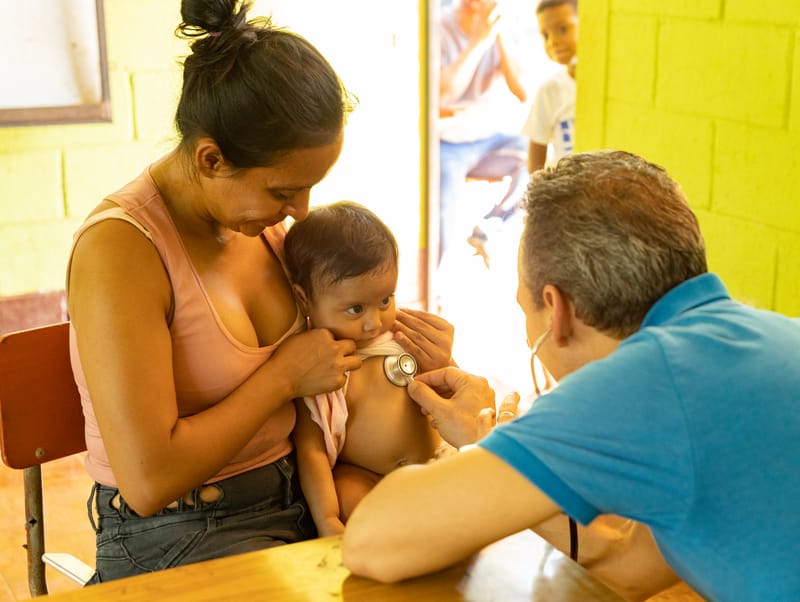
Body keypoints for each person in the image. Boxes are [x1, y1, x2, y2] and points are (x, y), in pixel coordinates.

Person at [65, 0, 453, 583]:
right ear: (211, 159)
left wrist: (416, 362)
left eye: (310, 189)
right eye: (283, 191)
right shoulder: (121, 251)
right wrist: (282, 379)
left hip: (303, 495)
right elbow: (148, 480)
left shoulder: (262, 227)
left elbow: (337, 355)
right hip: (185, 529)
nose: (300, 211)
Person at [343, 150, 800, 602]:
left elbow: (372, 541)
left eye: (525, 309)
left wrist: (487, 450)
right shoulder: (764, 340)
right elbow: (628, 569)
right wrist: (499, 454)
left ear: (556, 310)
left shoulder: (643, 381)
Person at [284, 201, 455, 537]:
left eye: (385, 300)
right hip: (365, 474)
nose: (374, 323)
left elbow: (453, 388)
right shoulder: (317, 366)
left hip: (433, 464)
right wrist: (327, 519)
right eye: (355, 309)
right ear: (304, 300)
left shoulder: (406, 338)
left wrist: (445, 362)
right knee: (349, 498)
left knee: (468, 497)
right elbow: (312, 449)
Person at [438, 0, 530, 267]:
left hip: (491, 138)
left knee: (535, 153)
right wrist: (480, 39)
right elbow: (444, 95)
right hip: (449, 142)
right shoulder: (441, 27)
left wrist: (497, 34)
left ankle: (490, 226)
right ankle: (436, 274)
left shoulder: (505, 22)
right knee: (443, 216)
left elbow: (522, 91)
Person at [523, 0, 577, 173]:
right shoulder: (550, 90)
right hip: (566, 184)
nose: (553, 41)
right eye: (546, 35)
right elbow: (536, 157)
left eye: (563, 29)